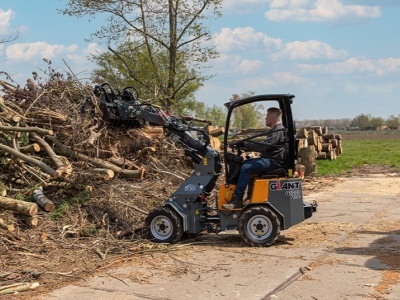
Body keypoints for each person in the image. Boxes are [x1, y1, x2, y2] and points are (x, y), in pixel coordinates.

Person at [223, 107, 286, 210]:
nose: (265, 118)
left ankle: (237, 199)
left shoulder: (278, 130)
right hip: (270, 159)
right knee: (243, 163)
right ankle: (249, 197)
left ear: (271, 117)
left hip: (273, 161)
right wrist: (244, 145)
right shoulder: (276, 130)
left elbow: (264, 146)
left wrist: (246, 145)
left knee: (246, 167)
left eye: (266, 116)